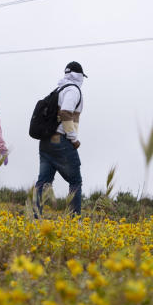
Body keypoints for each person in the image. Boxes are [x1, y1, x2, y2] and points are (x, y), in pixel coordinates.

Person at [34, 61, 86, 216]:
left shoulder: (59, 89)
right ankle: (73, 219)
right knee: (75, 181)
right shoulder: (73, 90)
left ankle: (35, 217)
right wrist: (74, 139)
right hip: (60, 141)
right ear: (79, 76)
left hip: (45, 142)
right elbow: (65, 113)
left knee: (43, 182)